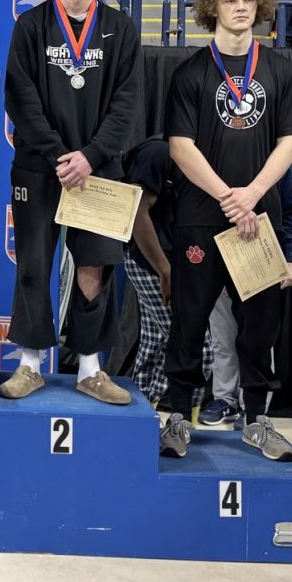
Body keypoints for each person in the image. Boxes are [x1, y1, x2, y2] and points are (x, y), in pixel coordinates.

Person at [161, 0, 292, 460]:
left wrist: (252, 195)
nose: (241, 7)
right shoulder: (191, 72)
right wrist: (229, 195)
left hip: (257, 222)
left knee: (260, 327)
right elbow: (180, 146)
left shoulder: (281, 70)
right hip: (201, 219)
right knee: (189, 321)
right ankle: (177, 417)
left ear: (260, 5)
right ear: (213, 7)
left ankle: (258, 421)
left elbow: (290, 144)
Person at [0, 0, 140, 405]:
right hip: (41, 167)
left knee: (94, 266)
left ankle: (89, 368)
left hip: (99, 170)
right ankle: (30, 364)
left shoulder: (121, 28)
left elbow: (126, 104)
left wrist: (90, 157)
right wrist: (61, 156)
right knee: (34, 263)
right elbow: (21, 100)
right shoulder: (31, 25)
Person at [198, 164, 292, 425]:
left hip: (260, 253)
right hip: (219, 251)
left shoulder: (278, 161)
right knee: (221, 335)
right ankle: (225, 399)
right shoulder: (212, 155)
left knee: (258, 336)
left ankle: (254, 405)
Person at [122, 138, 212, 411]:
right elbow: (137, 212)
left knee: (155, 341)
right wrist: (165, 270)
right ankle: (182, 415)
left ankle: (142, 412)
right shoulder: (159, 152)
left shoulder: (197, 160)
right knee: (195, 345)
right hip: (153, 262)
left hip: (174, 262)